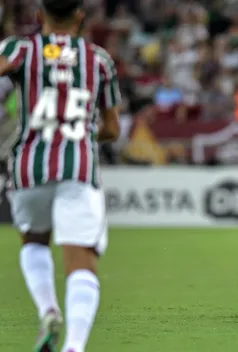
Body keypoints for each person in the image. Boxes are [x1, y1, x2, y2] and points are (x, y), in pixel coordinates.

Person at [0, 0, 121, 351]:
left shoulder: (20, 48)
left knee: (34, 240)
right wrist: (80, 133)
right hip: (77, 167)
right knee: (81, 259)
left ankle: (48, 309)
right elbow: (112, 128)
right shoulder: (98, 59)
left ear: (40, 17)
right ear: (80, 18)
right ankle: (73, 346)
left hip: (28, 166)